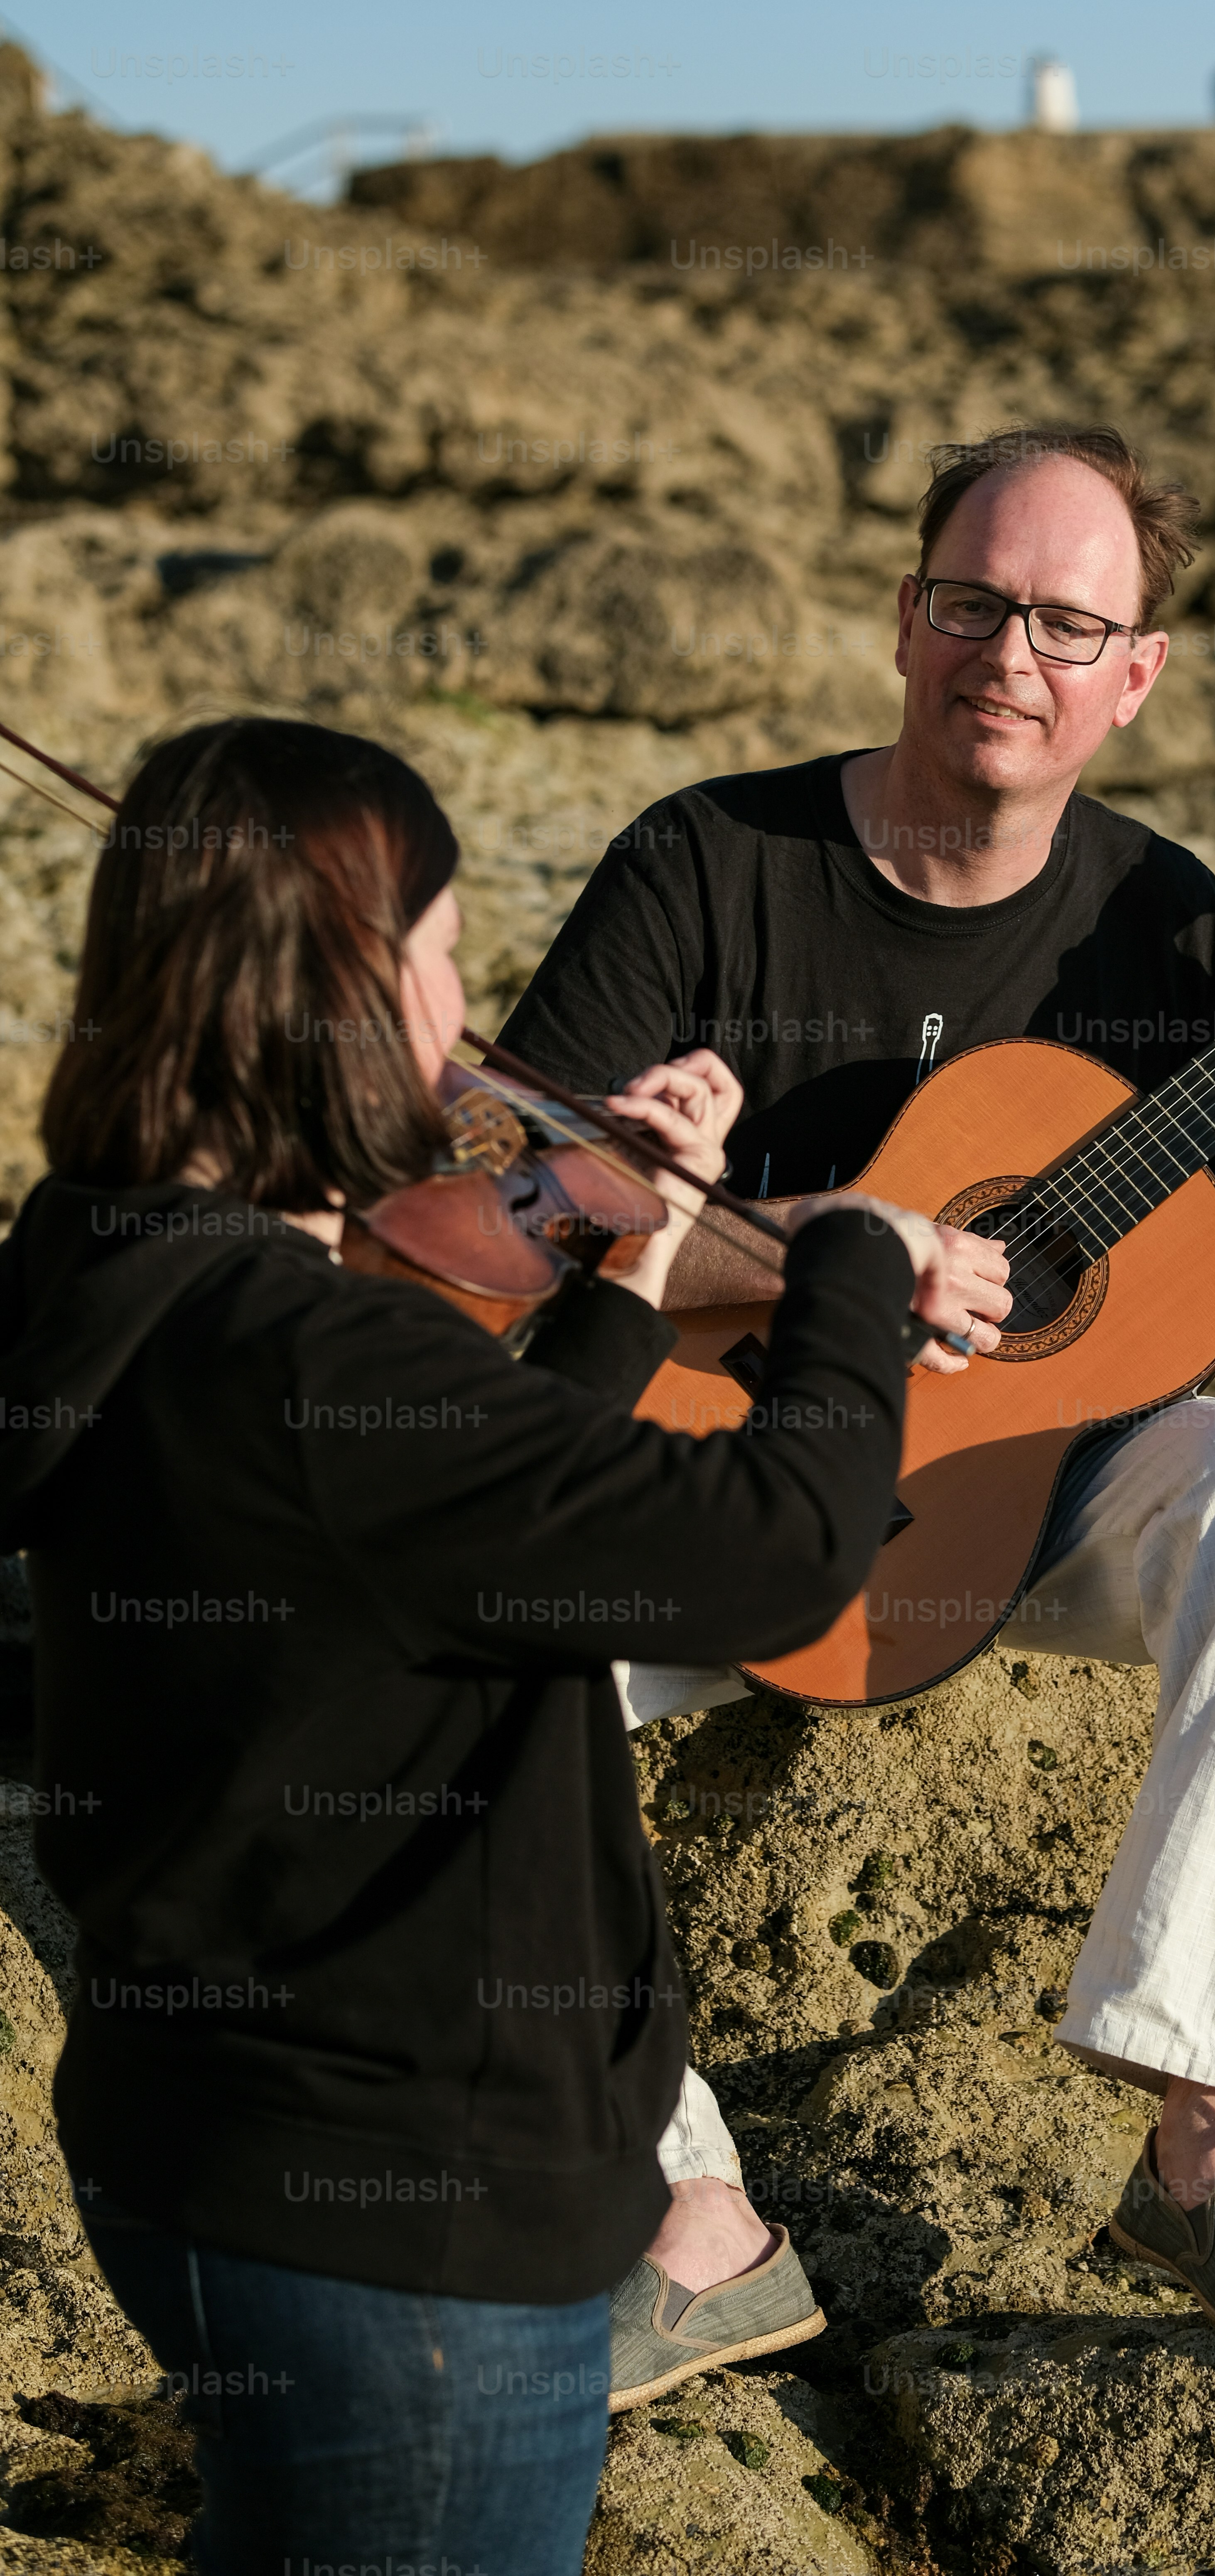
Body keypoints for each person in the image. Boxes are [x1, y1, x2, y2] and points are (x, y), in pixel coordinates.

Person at [498, 423, 1215, 2380]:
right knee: (464, 1647)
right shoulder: (707, 859)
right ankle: (695, 2209)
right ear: (906, 621)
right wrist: (814, 1246)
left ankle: (1201, 2138)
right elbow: (514, 1201)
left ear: (1133, 675)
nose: (1012, 652)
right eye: (973, 603)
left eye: (1069, 622)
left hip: (1007, 1494)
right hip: (713, 1480)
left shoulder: (1171, 933)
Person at [0, 717, 968, 2573]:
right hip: (402, 2236)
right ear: (341, 986)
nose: (465, 1014)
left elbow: (458, 1532)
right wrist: (845, 1272)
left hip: (199, 2150)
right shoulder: (316, 1356)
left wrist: (628, 1267)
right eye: (440, 950)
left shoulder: (107, 1260)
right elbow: (771, 1555)